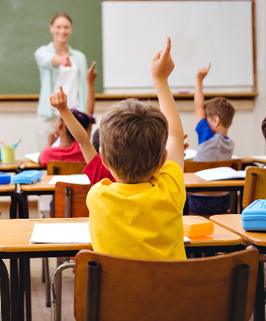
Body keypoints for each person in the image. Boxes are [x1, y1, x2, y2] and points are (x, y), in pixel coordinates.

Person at [50, 37, 186, 260]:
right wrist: (160, 80)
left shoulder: (98, 195)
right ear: (163, 159)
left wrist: (64, 111)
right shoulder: (171, 189)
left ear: (102, 157)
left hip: (115, 296)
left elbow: (84, 141)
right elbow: (176, 137)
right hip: (172, 295)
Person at [34, 12, 88, 151]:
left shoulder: (79, 57)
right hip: (50, 115)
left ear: (71, 29)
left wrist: (87, 115)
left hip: (74, 115)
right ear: (51, 28)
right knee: (48, 158)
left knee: (74, 159)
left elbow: (84, 88)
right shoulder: (42, 51)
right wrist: (60, 60)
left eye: (66, 27)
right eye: (58, 27)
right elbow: (46, 60)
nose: (62, 31)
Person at [187, 63, 235, 215]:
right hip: (224, 200)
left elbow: (198, 106)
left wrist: (199, 80)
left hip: (201, 200)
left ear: (215, 120)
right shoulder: (230, 144)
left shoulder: (207, 137)